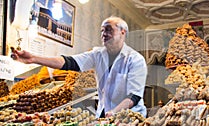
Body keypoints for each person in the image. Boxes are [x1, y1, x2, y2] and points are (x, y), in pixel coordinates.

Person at [11, 16, 148, 118]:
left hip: (131, 117)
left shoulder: (135, 60)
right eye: (102, 31)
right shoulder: (97, 54)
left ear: (123, 32)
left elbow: (133, 96)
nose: (104, 34)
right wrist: (34, 58)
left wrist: (114, 112)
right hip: (105, 114)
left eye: (108, 30)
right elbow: (70, 62)